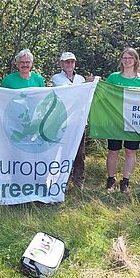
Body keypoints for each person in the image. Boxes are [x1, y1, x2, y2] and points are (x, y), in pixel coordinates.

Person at [105, 48, 140, 194]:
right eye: (124, 58)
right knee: (113, 152)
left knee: (130, 152)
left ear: (135, 60)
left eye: (130, 58)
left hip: (133, 122)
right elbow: (104, 94)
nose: (127, 60)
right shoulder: (113, 77)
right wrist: (94, 83)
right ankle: (111, 180)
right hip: (115, 121)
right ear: (121, 60)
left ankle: (125, 182)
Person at [50, 52, 93, 189]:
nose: (69, 64)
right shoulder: (56, 78)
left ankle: (78, 181)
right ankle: (63, 179)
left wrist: (90, 84)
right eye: (66, 62)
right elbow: (68, 92)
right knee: (62, 151)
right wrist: (86, 85)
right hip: (63, 121)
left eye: (72, 62)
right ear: (61, 64)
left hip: (79, 121)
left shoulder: (80, 78)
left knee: (79, 153)